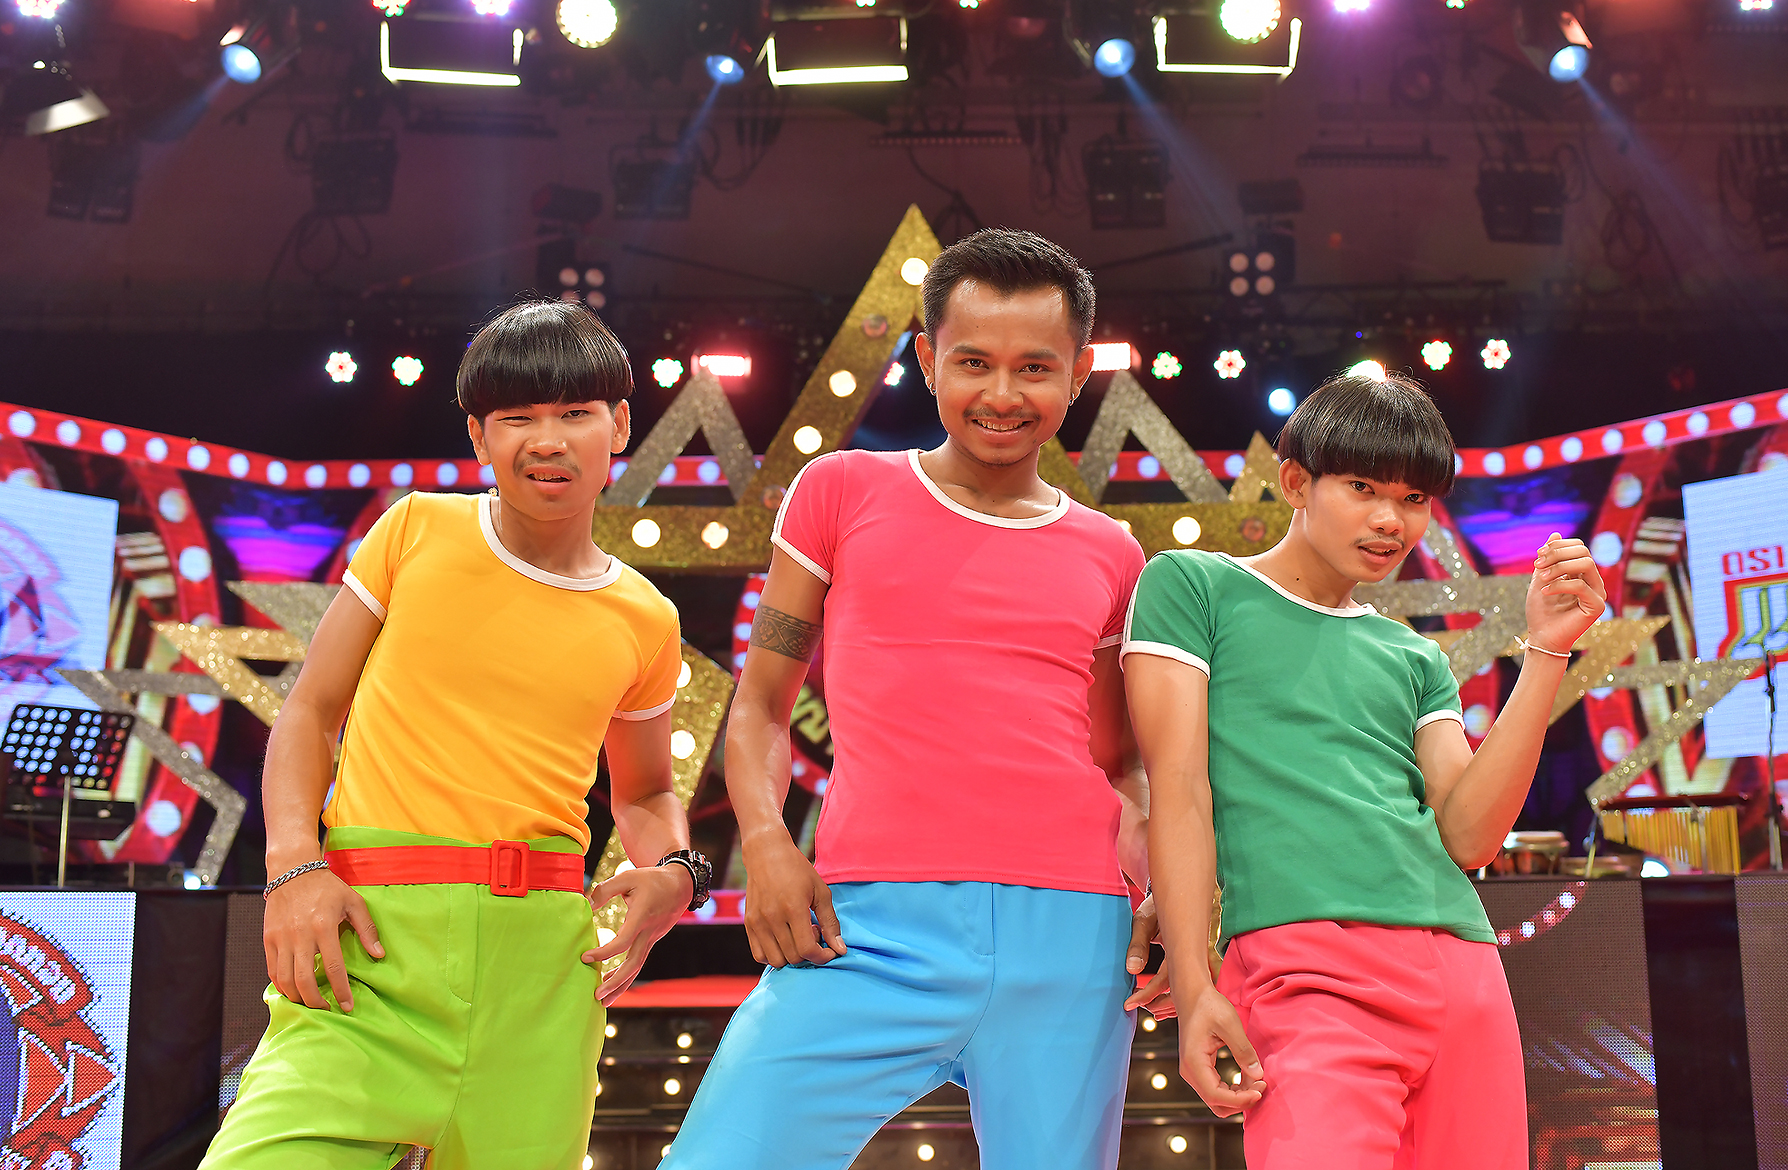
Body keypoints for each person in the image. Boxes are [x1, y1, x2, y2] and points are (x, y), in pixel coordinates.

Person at [661, 229, 1152, 1170]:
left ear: (1079, 373)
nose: (1002, 393)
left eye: (1034, 367)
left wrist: (1161, 893)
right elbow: (760, 706)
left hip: (1074, 936)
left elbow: (1120, 761)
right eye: (973, 362)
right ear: (927, 359)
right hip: (866, 927)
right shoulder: (841, 492)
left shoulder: (1112, 552)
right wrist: (765, 843)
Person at [201, 300, 712, 1170]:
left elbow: (647, 790)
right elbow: (310, 711)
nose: (547, 441)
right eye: (517, 418)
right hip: (369, 948)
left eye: (575, 413)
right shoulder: (415, 530)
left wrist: (677, 873)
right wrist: (291, 868)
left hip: (541, 974)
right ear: (478, 436)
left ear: (620, 426)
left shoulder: (646, 617)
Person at [1122, 371, 1607, 1169]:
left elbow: (1469, 837)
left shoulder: (1414, 656)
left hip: (1463, 974)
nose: (1391, 520)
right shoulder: (1194, 587)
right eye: (1363, 488)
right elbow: (1178, 791)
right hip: (1304, 971)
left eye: (1413, 499)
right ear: (1295, 483)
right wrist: (1198, 978)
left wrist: (1547, 652)